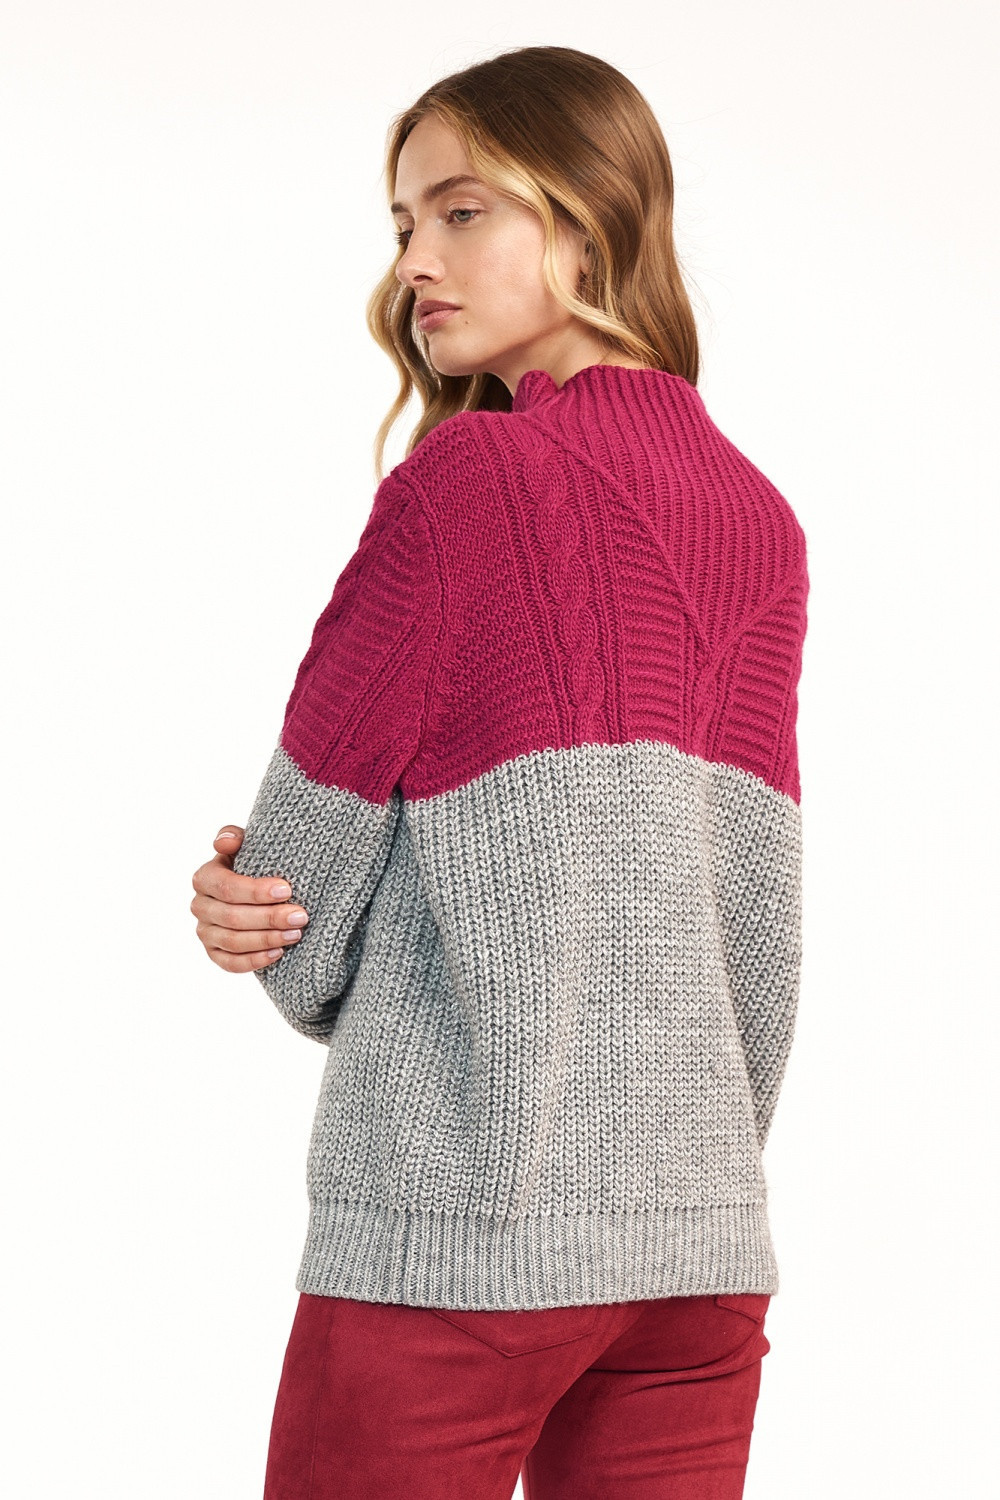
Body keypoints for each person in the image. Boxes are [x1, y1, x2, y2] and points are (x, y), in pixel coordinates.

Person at [190, 44, 809, 1500]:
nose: (417, 261)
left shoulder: (470, 481)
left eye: (462, 211)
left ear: (590, 220)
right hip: (701, 1257)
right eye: (406, 223)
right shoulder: (759, 520)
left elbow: (299, 923)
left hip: (463, 1238)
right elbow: (755, 930)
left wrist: (240, 902)